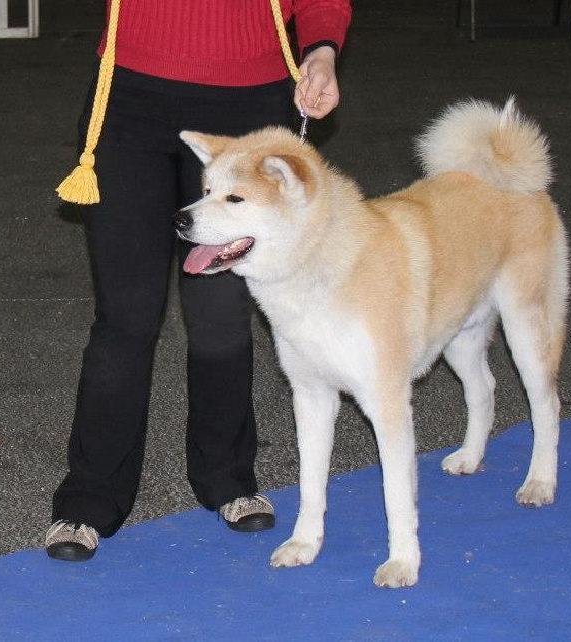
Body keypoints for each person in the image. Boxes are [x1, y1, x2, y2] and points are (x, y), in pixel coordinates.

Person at [45, 0, 352, 561]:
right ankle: (90, 497)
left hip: (249, 100)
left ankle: (227, 477)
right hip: (130, 93)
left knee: (220, 317)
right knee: (127, 315)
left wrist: (323, 51)